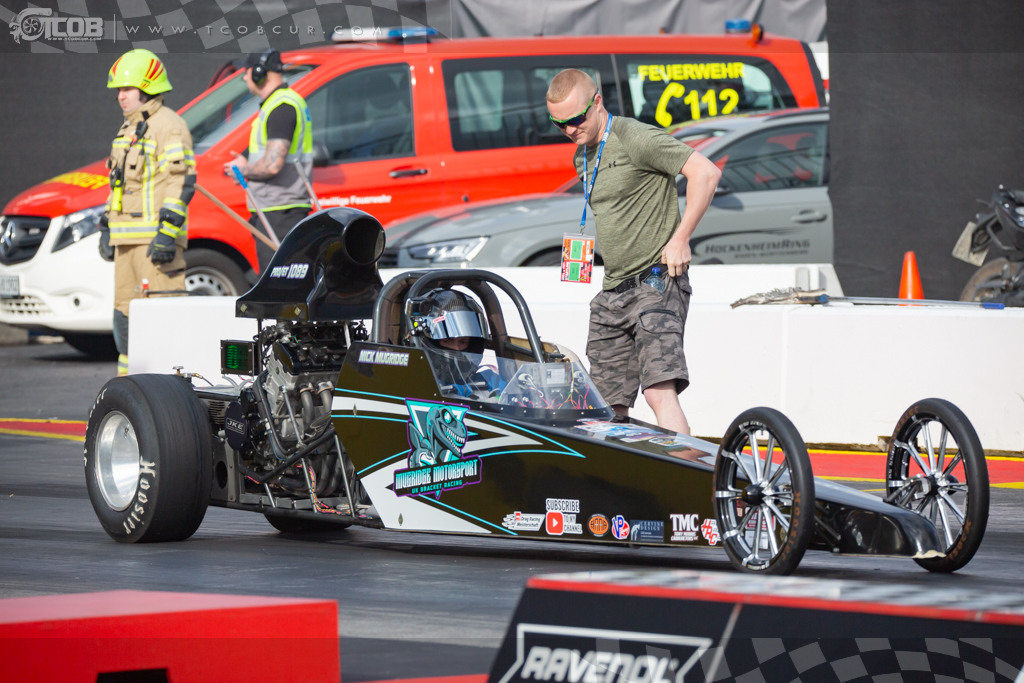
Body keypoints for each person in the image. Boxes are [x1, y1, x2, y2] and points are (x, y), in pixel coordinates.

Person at [545, 69, 721, 435]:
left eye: (576, 119)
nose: (570, 129)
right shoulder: (583, 157)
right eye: (559, 124)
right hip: (613, 291)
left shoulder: (634, 137)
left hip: (656, 281)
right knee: (604, 407)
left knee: (658, 391)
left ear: (597, 103)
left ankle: (681, 468)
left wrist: (681, 238)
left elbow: (706, 173)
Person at [97, 49, 195, 376]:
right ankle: (128, 387)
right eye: (119, 90)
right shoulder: (129, 128)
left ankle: (168, 393)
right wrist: (107, 225)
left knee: (162, 320)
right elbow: (118, 183)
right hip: (126, 242)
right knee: (125, 321)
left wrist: (167, 233)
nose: (120, 96)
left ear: (148, 88)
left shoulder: (169, 126)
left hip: (155, 244)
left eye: (127, 89)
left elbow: (180, 182)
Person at [223, 49, 313, 272]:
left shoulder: (281, 108)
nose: (245, 77)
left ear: (259, 73)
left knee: (279, 282)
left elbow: (272, 165)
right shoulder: (280, 103)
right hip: (279, 210)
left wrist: (242, 171)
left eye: (247, 72)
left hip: (280, 213)